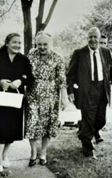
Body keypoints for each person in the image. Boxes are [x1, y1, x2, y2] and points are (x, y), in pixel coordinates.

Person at [67, 27, 112, 159]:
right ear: (87, 38)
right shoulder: (79, 53)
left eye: (95, 37)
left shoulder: (106, 52)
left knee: (101, 120)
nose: (93, 39)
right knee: (88, 119)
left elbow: (110, 70)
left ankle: (83, 130)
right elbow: (70, 74)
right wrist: (70, 91)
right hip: (86, 92)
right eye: (90, 37)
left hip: (102, 90)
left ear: (99, 38)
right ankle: (87, 147)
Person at [0, 33, 33, 173]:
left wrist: (20, 81)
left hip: (15, 98)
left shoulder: (23, 59)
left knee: (11, 128)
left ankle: (5, 155)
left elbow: (29, 76)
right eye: (14, 42)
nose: (17, 45)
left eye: (19, 43)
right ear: (7, 43)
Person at [25, 32, 67, 166]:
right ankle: (33, 153)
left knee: (48, 125)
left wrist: (63, 97)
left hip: (51, 97)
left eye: (45, 44)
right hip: (33, 95)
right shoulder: (31, 55)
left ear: (50, 43)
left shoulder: (58, 58)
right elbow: (24, 73)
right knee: (32, 124)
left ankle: (43, 153)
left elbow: (62, 80)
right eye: (39, 44)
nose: (42, 47)